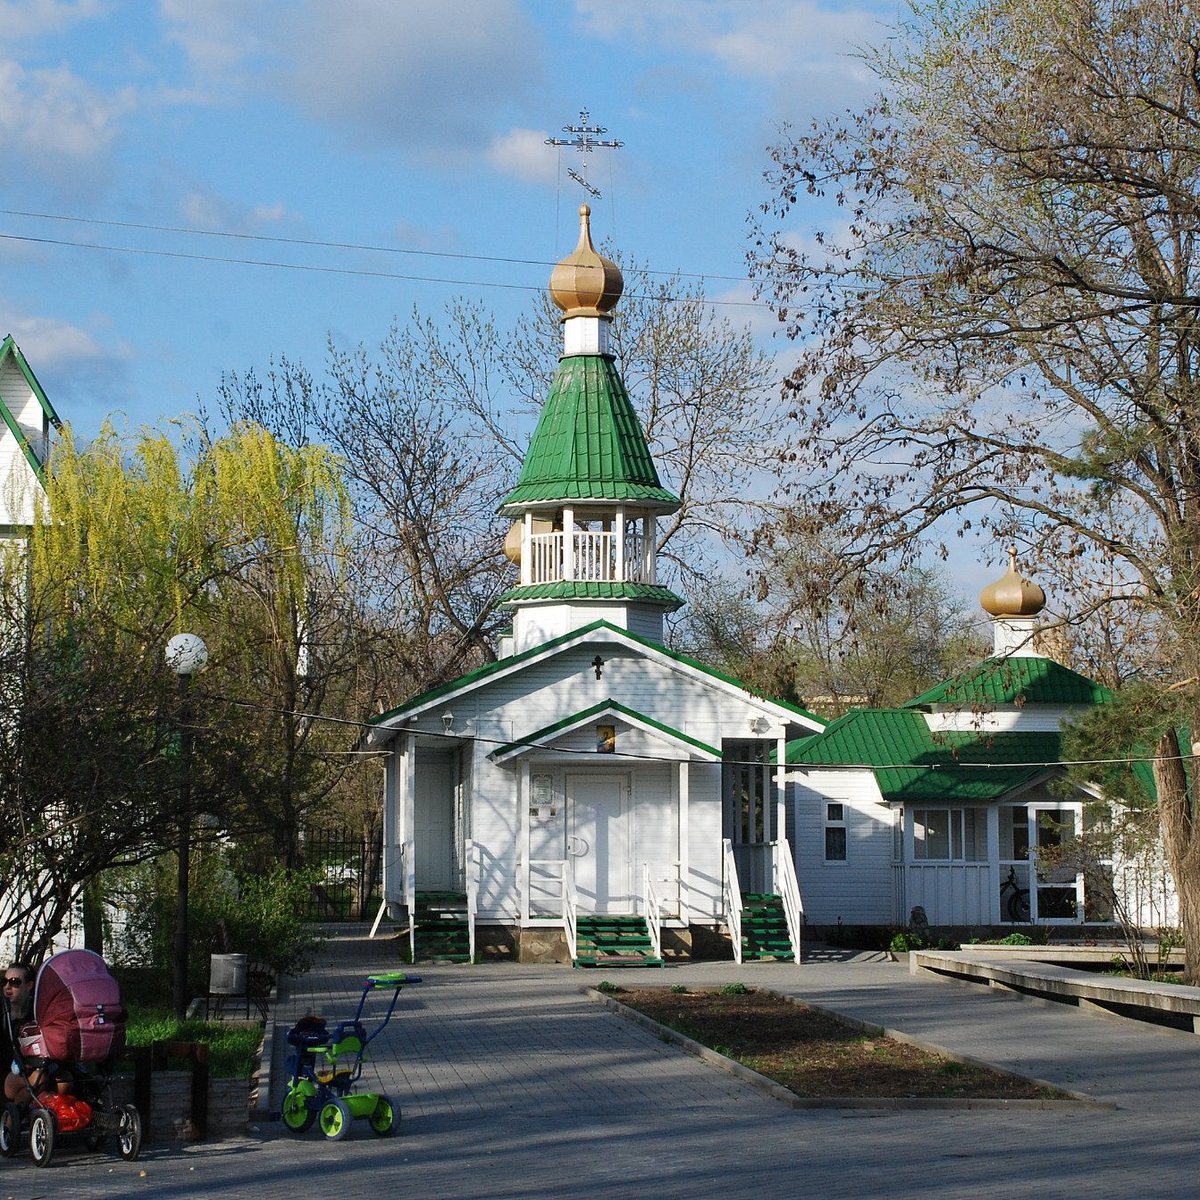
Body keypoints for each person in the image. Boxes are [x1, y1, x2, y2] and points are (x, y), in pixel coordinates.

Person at [2, 962, 35, 1102]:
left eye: (15, 982)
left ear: (29, 985)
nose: (8, 986)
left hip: (28, 1071)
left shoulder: (37, 1012)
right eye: (4, 981)